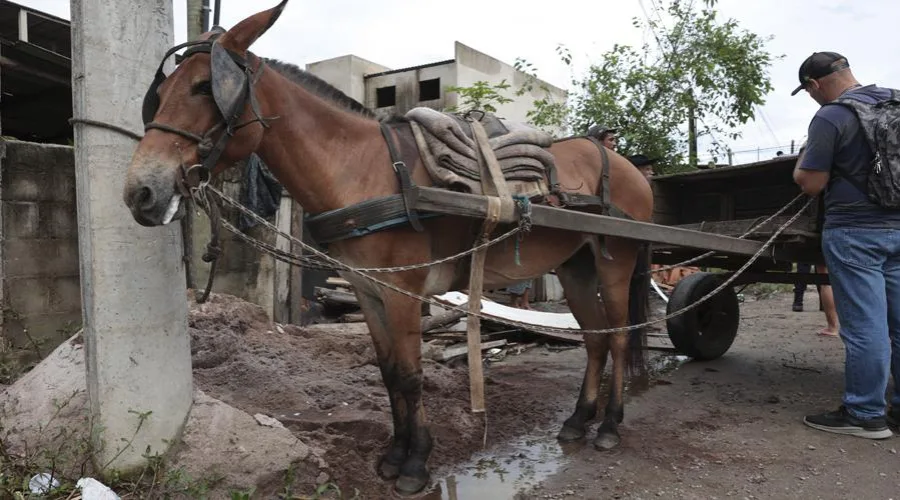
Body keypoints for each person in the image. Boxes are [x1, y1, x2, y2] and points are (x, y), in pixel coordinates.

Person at [791, 51, 900, 438]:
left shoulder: (832, 115)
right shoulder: (895, 101)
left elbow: (812, 184)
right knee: (899, 323)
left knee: (865, 327)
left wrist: (803, 160)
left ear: (814, 85)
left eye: (808, 92)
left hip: (856, 231)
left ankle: (865, 414)